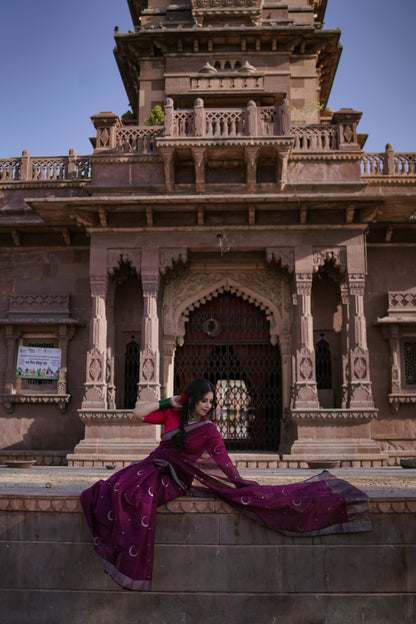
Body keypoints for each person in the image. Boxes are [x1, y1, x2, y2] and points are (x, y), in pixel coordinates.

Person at [80, 378, 371, 591]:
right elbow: (137, 414)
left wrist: (242, 486)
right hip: (152, 466)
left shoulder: (209, 431)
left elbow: (226, 467)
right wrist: (169, 401)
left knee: (136, 496)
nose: (209, 405)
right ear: (191, 398)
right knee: (112, 488)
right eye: (204, 400)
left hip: (174, 479)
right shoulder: (173, 414)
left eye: (211, 401)